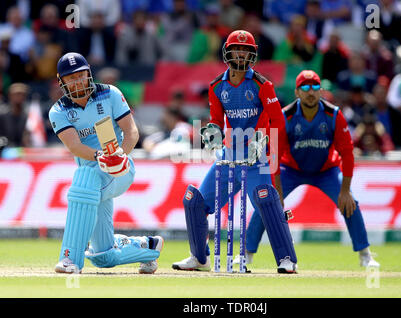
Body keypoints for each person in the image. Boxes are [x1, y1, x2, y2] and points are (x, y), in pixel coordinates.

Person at [172, 30, 298, 273]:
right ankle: (199, 258)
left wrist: (261, 138)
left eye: (246, 50)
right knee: (195, 202)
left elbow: (278, 121)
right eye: (236, 50)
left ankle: (286, 259)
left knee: (266, 201)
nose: (240, 54)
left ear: (252, 55)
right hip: (229, 156)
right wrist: (213, 132)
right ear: (227, 53)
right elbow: (217, 120)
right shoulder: (217, 86)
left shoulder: (263, 85)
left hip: (256, 156)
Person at [241, 70, 380, 268]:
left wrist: (345, 190)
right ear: (297, 92)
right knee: (267, 203)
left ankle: (365, 254)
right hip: (291, 169)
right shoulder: (285, 116)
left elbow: (347, 153)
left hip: (327, 171)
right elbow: (274, 156)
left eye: (315, 87)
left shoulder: (333, 114)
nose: (310, 92)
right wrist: (277, 192)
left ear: (321, 91)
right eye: (305, 88)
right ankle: (246, 254)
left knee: (351, 203)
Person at [49, 52, 163, 274]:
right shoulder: (59, 110)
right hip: (93, 172)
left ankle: (69, 259)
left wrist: (120, 155)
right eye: (71, 78)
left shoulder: (110, 93)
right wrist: (100, 157)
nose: (78, 81)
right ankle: (147, 247)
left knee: (83, 182)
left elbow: (131, 131)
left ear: (89, 73)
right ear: (61, 81)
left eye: (81, 75)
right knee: (103, 256)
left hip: (120, 169)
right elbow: (74, 146)